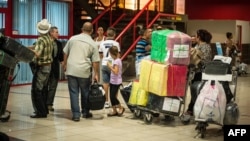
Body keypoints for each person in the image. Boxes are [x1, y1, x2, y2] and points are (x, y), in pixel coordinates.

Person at [63, 22, 100, 122]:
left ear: (82, 29)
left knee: (73, 92)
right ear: (92, 31)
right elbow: (95, 61)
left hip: (71, 69)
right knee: (85, 92)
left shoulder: (72, 38)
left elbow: (66, 52)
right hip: (84, 71)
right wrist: (96, 74)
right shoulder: (93, 43)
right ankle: (85, 112)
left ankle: (76, 115)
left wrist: (65, 64)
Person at [185, 29, 212, 117]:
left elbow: (203, 61)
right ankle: (192, 109)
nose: (195, 37)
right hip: (197, 72)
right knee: (195, 91)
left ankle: (192, 110)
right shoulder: (200, 45)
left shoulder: (204, 47)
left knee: (196, 91)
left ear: (199, 37)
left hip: (200, 73)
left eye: (196, 36)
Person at [30, 19, 54, 118]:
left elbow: (37, 53)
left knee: (37, 90)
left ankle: (41, 112)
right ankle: (45, 109)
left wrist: (30, 55)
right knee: (44, 89)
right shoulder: (49, 38)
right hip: (48, 66)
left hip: (41, 67)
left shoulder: (40, 39)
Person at [99, 27, 121, 108]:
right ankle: (114, 101)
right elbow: (118, 55)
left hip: (105, 64)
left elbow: (100, 55)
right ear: (114, 35)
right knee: (114, 83)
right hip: (113, 64)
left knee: (105, 83)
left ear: (106, 34)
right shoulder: (116, 44)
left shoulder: (102, 43)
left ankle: (106, 101)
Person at [45, 26, 64, 112]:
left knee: (53, 86)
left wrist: (63, 64)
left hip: (55, 67)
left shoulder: (59, 44)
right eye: (56, 32)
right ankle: (43, 104)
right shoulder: (45, 42)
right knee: (44, 86)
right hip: (45, 66)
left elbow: (61, 57)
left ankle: (49, 104)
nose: (58, 34)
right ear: (51, 33)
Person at [106, 46, 125, 116]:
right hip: (113, 80)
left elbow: (116, 72)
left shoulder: (117, 61)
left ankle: (120, 107)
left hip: (116, 81)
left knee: (113, 96)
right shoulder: (117, 60)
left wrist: (110, 66)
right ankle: (114, 110)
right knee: (111, 96)